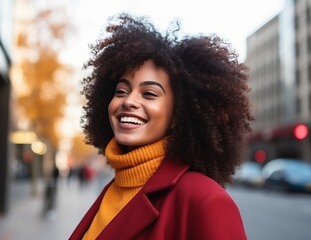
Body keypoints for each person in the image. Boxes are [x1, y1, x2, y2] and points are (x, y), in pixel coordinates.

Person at [69, 13, 252, 240]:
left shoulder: (204, 200)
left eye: (149, 93)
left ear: (178, 115)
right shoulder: (114, 189)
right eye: (121, 91)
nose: (128, 101)